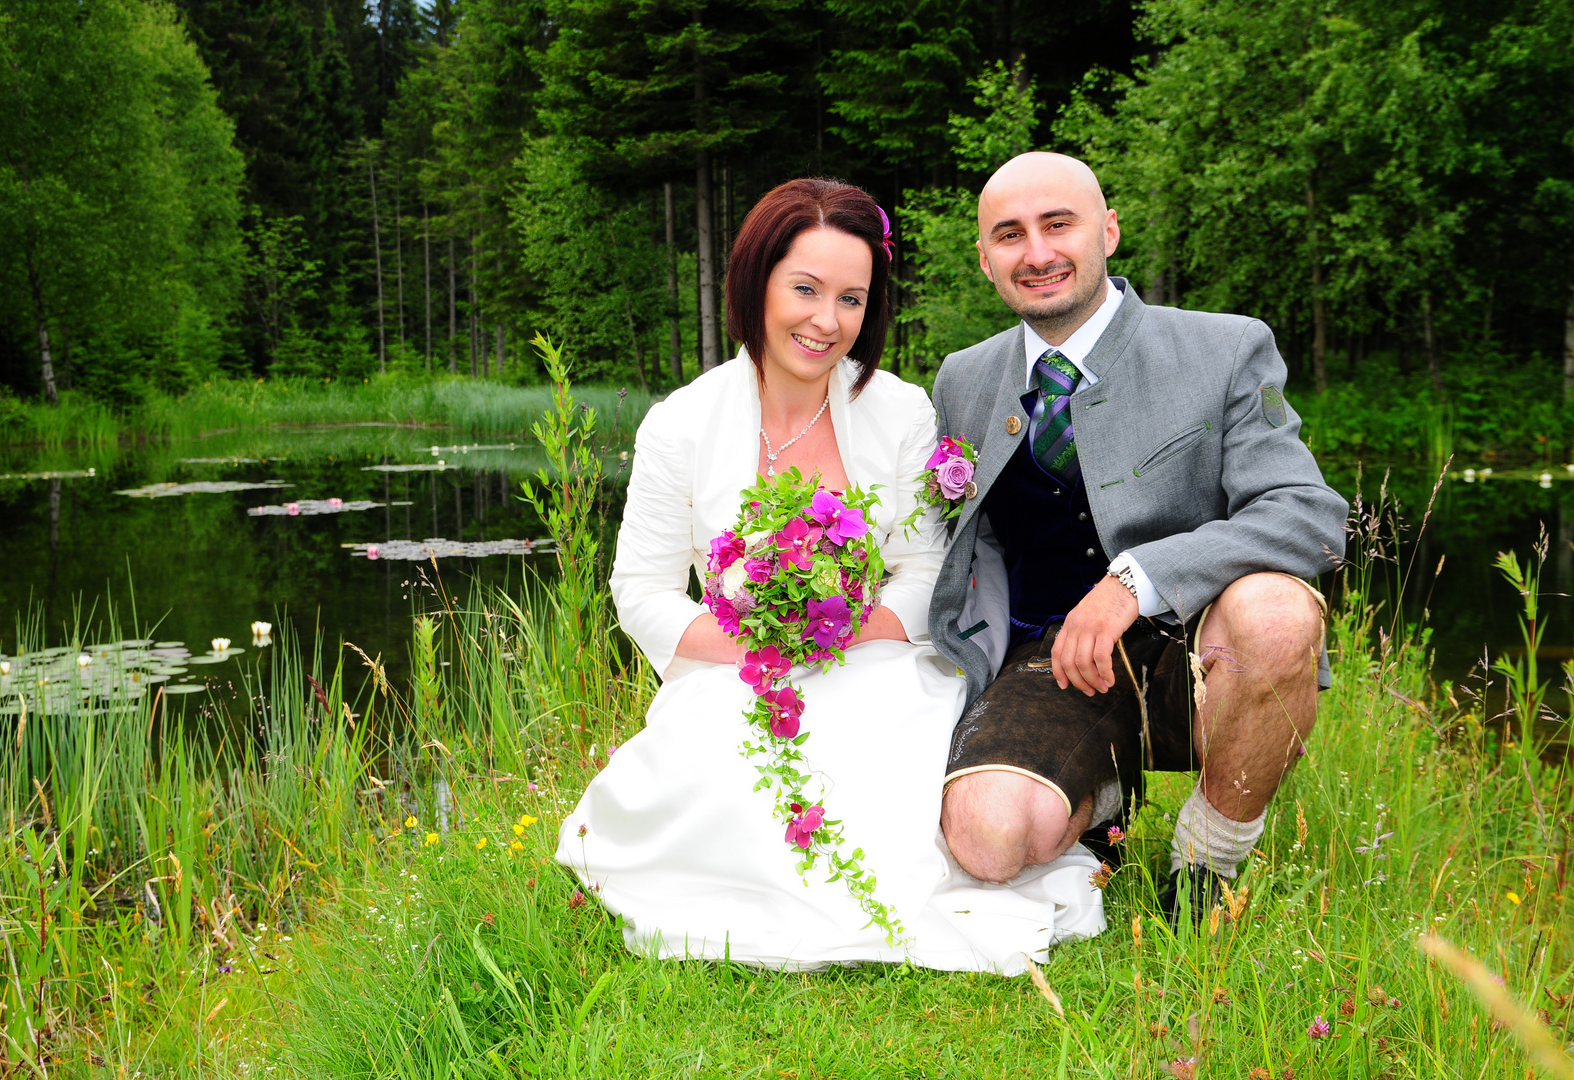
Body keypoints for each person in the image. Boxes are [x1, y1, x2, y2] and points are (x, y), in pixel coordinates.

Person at [556, 178, 1104, 972]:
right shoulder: (680, 422)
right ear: (756, 281)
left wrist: (844, 631)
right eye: (805, 289)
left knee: (881, 747)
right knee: (724, 760)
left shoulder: (901, 410)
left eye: (851, 298)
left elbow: (922, 570)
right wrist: (763, 653)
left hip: (879, 657)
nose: (826, 321)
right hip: (737, 666)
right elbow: (638, 589)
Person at [926, 152, 1349, 917]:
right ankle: (1102, 789)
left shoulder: (1224, 349)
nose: (1039, 252)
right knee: (987, 841)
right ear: (986, 259)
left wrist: (1135, 580)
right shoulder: (962, 377)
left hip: (1198, 652)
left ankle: (1207, 859)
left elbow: (1308, 515)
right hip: (1048, 659)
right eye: (1011, 234)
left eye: (1060, 224)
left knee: (1279, 613)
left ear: (1109, 231)